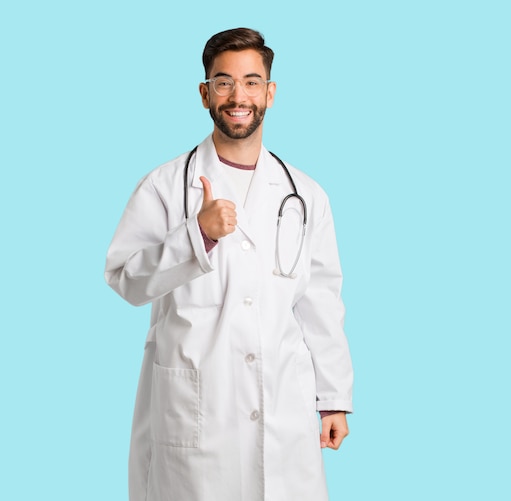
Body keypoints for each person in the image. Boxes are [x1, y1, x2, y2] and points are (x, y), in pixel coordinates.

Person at [104, 27, 353, 501]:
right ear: (204, 93)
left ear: (270, 93)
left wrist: (334, 400)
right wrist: (195, 235)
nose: (238, 96)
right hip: (198, 411)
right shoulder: (164, 186)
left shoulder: (306, 195)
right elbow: (125, 279)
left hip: (284, 408)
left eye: (252, 82)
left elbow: (320, 302)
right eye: (223, 82)